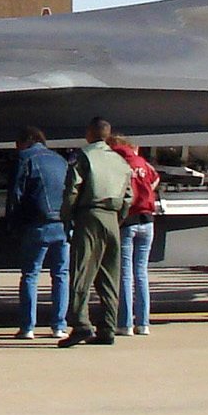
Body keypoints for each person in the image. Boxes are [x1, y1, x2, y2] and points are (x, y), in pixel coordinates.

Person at [58, 117, 131, 347]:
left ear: (90, 133)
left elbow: (73, 188)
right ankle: (108, 327)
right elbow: (128, 196)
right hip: (112, 217)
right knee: (110, 277)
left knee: (82, 271)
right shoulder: (120, 161)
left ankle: (81, 324)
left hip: (89, 215)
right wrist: (117, 218)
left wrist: (67, 216)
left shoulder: (83, 155)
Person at [10, 126, 70, 339]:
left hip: (37, 225)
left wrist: (13, 225)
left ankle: (28, 327)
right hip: (61, 225)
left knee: (30, 275)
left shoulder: (25, 158)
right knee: (61, 274)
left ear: (25, 141)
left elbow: (16, 194)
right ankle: (59, 325)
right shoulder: (60, 160)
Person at [114, 136, 161, 335]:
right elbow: (156, 178)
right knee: (141, 272)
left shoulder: (118, 164)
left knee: (125, 273)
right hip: (147, 219)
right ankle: (143, 323)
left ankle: (125, 324)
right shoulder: (142, 163)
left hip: (128, 220)